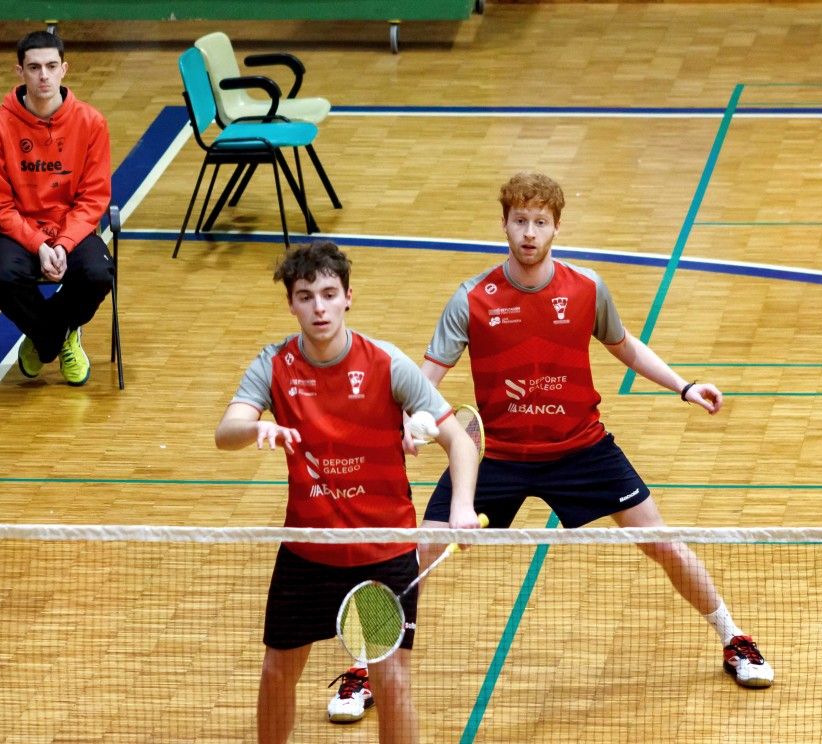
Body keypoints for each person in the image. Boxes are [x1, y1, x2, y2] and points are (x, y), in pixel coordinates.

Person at [327, 172, 773, 717]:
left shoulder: (586, 288)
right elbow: (427, 376)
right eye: (520, 222)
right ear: (505, 225)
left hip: (580, 448)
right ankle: (363, 667)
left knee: (662, 542)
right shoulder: (473, 298)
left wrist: (683, 385)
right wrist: (405, 419)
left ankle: (733, 637)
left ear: (557, 227)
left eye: (540, 222)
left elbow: (625, 346)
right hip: (494, 455)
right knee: (417, 549)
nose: (529, 233)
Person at [215, 242, 479, 744]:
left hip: (381, 552)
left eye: (329, 294)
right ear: (291, 303)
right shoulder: (273, 366)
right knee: (276, 674)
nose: (319, 307)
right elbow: (226, 431)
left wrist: (462, 505)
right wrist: (254, 430)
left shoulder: (386, 363)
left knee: (392, 682)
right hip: (308, 552)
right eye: (306, 295)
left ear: (348, 298)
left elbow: (458, 442)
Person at [0, 30, 113, 386]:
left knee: (98, 275)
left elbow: (95, 198)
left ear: (64, 69)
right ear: (18, 71)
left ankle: (44, 335)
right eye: (34, 67)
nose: (44, 76)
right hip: (17, 229)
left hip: (71, 226)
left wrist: (64, 243)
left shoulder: (92, 122)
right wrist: (39, 244)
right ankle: (55, 335)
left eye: (52, 66)